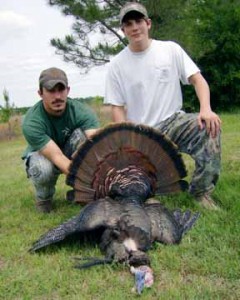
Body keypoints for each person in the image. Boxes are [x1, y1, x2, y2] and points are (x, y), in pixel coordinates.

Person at [104, 2, 221, 210]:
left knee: (210, 128)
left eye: (138, 21)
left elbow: (198, 80)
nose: (134, 27)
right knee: (140, 190)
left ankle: (201, 193)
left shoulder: (170, 49)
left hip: (174, 122)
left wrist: (206, 109)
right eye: (128, 24)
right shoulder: (116, 65)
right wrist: (124, 138)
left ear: (148, 23)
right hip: (141, 133)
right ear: (123, 31)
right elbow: (117, 107)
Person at [22, 67, 99, 213]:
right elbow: (57, 157)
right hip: (44, 155)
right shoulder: (31, 121)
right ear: (40, 93)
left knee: (84, 139)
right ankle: (44, 199)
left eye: (61, 89)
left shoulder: (82, 111)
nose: (57, 96)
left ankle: (84, 193)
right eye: (51, 91)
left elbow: (98, 146)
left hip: (70, 150)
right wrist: (88, 181)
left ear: (68, 90)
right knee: (43, 169)